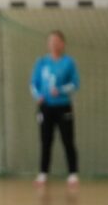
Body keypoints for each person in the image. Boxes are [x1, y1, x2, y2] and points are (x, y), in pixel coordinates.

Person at [30, 30, 80, 186]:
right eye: (51, 41)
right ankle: (43, 173)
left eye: (56, 41)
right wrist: (38, 96)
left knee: (67, 140)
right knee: (45, 140)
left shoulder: (69, 62)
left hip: (63, 107)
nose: (53, 44)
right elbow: (33, 83)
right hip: (46, 107)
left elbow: (75, 84)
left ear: (62, 44)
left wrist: (61, 90)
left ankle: (73, 173)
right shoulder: (41, 62)